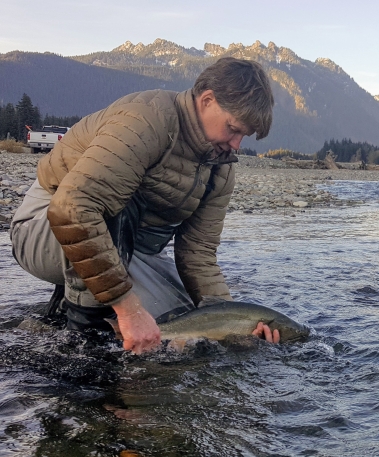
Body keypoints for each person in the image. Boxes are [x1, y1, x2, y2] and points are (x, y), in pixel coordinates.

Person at [10, 57, 280, 354]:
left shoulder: (221, 167)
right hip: (47, 227)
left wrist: (231, 324)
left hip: (127, 249)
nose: (237, 145)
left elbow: (198, 255)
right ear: (207, 100)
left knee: (179, 321)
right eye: (233, 129)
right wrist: (129, 309)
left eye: (244, 135)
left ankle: (77, 302)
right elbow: (74, 209)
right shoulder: (146, 120)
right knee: (114, 211)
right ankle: (82, 345)